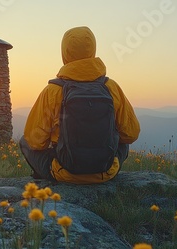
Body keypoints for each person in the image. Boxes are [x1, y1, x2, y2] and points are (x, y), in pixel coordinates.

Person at [20, 26, 140, 184]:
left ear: (65, 52)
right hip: (107, 171)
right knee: (123, 142)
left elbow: (34, 141)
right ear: (93, 50)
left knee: (24, 141)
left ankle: (43, 174)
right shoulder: (111, 87)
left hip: (64, 172)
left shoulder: (53, 91)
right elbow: (131, 134)